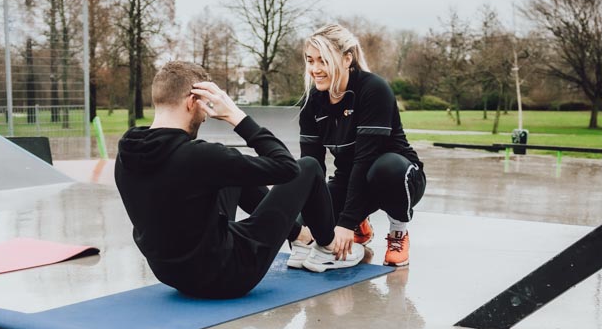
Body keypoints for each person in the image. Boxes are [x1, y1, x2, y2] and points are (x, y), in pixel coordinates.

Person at [114, 61, 364, 299]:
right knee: (308, 167)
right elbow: (287, 168)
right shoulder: (200, 157)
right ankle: (328, 247)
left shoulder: (127, 155)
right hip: (227, 275)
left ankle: (300, 237)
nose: (205, 117)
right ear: (192, 102)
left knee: (231, 172)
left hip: (171, 273)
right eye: (204, 107)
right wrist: (237, 117)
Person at [296, 23, 426, 267]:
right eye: (310, 61)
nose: (315, 69)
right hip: (350, 180)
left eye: (324, 60)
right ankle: (360, 222)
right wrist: (311, 223)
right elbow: (311, 166)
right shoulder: (312, 101)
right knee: (305, 221)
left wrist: (345, 222)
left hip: (398, 178)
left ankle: (398, 231)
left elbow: (365, 159)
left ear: (347, 59)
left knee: (385, 168)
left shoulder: (373, 89)